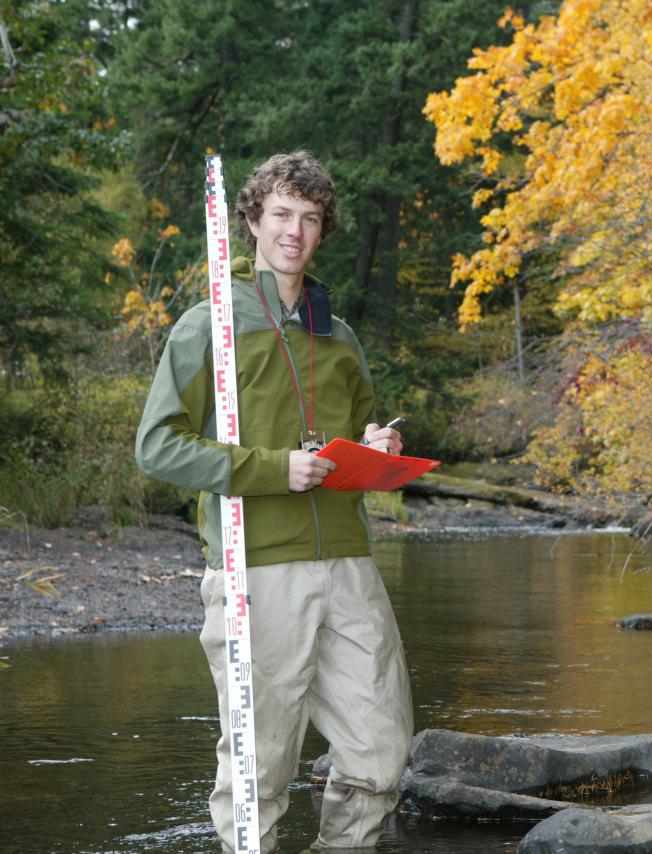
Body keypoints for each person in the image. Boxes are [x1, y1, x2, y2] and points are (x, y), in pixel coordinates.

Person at [135, 150, 413, 852]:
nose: (295, 230)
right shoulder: (210, 326)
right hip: (256, 566)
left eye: (310, 218)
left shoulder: (338, 335)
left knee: (382, 749)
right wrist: (269, 470)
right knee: (261, 764)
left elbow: (345, 443)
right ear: (253, 220)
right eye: (282, 214)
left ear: (323, 230)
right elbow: (157, 447)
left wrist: (372, 448)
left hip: (348, 562)